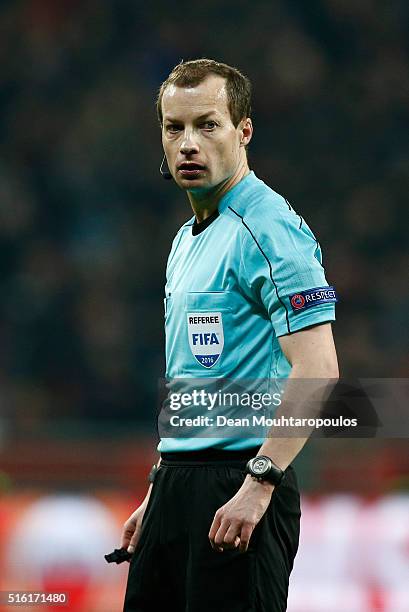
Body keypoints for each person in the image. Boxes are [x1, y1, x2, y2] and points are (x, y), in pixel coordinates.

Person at [121, 59, 339, 612]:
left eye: (208, 124)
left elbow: (318, 369)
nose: (188, 143)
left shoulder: (270, 228)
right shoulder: (185, 240)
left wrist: (260, 483)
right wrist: (161, 487)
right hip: (179, 485)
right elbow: (195, 378)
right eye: (175, 128)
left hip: (242, 485)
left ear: (244, 131)